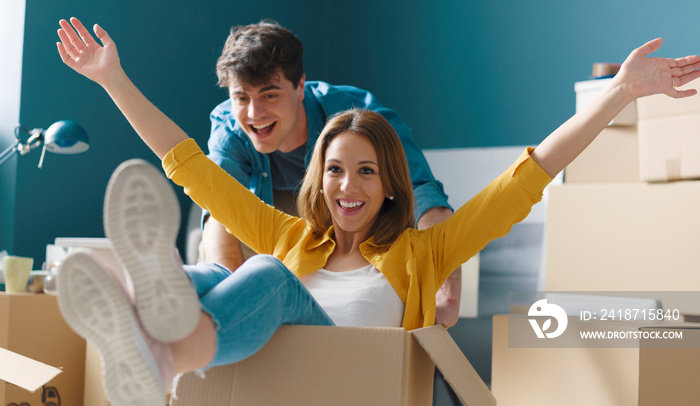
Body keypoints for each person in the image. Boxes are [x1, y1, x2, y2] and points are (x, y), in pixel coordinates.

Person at [54, 17, 700, 406]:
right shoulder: (292, 235)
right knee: (216, 275)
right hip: (272, 375)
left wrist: (619, 92)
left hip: (345, 381)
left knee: (268, 279)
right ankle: (142, 316)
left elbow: (529, 176)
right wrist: (113, 78)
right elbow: (187, 164)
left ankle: (165, 354)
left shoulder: (422, 255)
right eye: (334, 169)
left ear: (390, 183)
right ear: (318, 179)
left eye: (366, 171)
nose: (347, 186)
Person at [202, 20, 463, 327]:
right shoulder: (229, 127)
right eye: (241, 97)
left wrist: (445, 301)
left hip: (356, 218)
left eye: (270, 95)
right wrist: (228, 309)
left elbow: (424, 193)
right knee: (217, 253)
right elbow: (221, 208)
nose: (254, 114)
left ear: (300, 86)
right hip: (272, 220)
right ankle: (181, 292)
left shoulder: (358, 115)